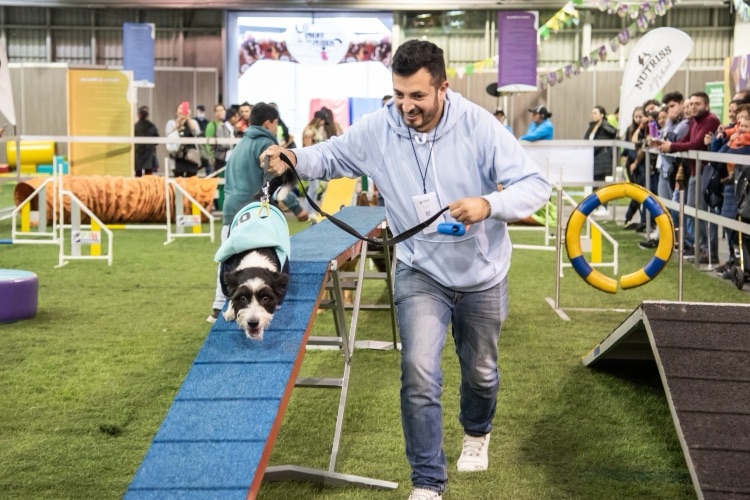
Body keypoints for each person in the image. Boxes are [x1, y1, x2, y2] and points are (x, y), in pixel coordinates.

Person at [260, 40, 551, 500]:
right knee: (418, 369)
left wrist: (489, 203)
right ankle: (428, 481)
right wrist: (294, 157)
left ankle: (477, 429)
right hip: (419, 269)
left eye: (417, 96)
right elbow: (331, 155)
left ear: (442, 88)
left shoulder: (477, 125)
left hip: (482, 273)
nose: (406, 106)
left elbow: (536, 185)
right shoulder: (379, 128)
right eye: (399, 94)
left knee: (481, 374)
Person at [208, 102, 280, 323]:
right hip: (252, 215)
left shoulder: (240, 144)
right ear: (269, 123)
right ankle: (253, 308)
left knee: (228, 263)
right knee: (260, 264)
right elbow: (273, 179)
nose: (276, 128)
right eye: (276, 123)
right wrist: (295, 207)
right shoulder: (266, 144)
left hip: (230, 211)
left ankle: (218, 308)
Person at [656, 91, 721, 262]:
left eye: (697, 104)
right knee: (692, 210)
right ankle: (701, 248)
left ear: (706, 106)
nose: (692, 107)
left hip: (706, 171)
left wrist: (671, 146)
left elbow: (696, 143)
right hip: (694, 172)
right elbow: (685, 141)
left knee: (704, 212)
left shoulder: (711, 120)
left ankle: (710, 252)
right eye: (691, 104)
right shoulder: (694, 122)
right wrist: (667, 145)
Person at [165, 101, 202, 177]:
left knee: (192, 179)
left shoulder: (193, 122)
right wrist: (177, 125)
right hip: (178, 155)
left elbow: (196, 133)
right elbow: (168, 135)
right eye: (180, 109)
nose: (182, 111)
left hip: (192, 156)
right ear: (176, 112)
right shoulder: (171, 123)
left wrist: (188, 119)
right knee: (179, 180)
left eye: (184, 109)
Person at [584, 105, 618, 182]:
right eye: (592, 113)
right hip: (592, 157)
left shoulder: (606, 127)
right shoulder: (592, 125)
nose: (593, 115)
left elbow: (613, 134)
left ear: (602, 115)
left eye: (595, 113)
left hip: (602, 159)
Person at [203, 104, 232, 172]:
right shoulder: (212, 125)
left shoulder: (226, 124)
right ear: (214, 113)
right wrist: (210, 156)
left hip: (225, 156)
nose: (219, 113)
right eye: (217, 111)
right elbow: (208, 142)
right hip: (216, 157)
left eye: (221, 110)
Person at [133, 106, 159, 177]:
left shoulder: (135, 126)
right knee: (148, 176)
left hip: (137, 154)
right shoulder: (152, 126)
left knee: (138, 176)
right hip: (149, 155)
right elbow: (157, 140)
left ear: (139, 114)